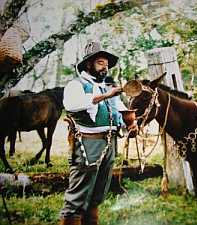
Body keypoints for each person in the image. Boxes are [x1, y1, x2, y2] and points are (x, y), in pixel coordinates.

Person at [60, 41, 135, 225]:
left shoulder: (106, 88)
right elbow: (72, 105)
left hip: (109, 144)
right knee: (77, 196)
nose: (105, 67)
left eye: (107, 64)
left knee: (97, 194)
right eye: (101, 62)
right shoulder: (76, 85)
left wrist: (130, 125)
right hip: (88, 144)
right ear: (89, 64)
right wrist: (106, 96)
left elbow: (120, 113)